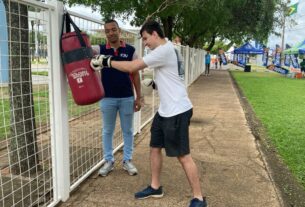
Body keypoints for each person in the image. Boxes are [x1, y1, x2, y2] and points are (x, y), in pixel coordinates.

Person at [91, 20, 207, 207]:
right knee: (154, 148)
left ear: (155, 34)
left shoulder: (164, 51)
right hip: (165, 110)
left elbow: (131, 68)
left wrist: (107, 61)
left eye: (145, 38)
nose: (145, 43)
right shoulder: (170, 49)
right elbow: (172, 77)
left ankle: (199, 198)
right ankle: (155, 187)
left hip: (177, 110)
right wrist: (154, 85)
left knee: (183, 155)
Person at [91, 19, 141, 177]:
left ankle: (127, 161)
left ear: (119, 31)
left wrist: (139, 97)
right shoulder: (99, 50)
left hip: (127, 97)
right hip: (107, 98)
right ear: (105, 33)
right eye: (107, 31)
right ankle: (109, 161)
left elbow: (135, 74)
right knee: (107, 131)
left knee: (128, 130)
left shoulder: (131, 50)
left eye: (113, 29)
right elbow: (83, 49)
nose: (111, 33)